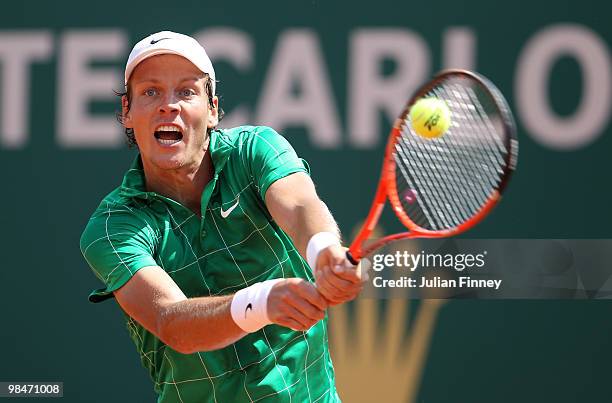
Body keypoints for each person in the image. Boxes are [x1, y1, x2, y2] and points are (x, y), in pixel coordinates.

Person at [80, 30, 363, 403]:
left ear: (212, 109)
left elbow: (298, 206)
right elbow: (172, 321)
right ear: (127, 114)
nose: (169, 106)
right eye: (150, 92)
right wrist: (262, 302)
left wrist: (323, 250)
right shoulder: (113, 226)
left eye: (186, 91)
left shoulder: (255, 151)